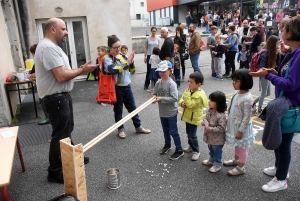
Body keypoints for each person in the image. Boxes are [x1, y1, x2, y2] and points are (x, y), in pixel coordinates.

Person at [34, 18, 98, 183]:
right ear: (53, 30)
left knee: (66, 130)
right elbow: (61, 76)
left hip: (59, 97)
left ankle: (74, 156)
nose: (67, 32)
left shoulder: (51, 46)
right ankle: (54, 172)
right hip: (56, 99)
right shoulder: (48, 48)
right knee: (60, 135)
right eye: (63, 29)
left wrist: (80, 70)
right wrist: (82, 70)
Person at [250, 17, 300, 193]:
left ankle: (281, 178)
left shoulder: (299, 54)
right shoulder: (294, 52)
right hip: (285, 102)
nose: (281, 31)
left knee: (284, 143)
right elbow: (288, 77)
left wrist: (269, 76)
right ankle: (280, 168)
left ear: (292, 33)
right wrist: (275, 72)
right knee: (281, 142)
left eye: (284, 28)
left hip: (290, 105)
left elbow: (292, 85)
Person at [103, 35, 151, 139]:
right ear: (110, 48)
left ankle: (138, 127)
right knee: (118, 109)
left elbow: (132, 71)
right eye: (115, 47)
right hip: (116, 88)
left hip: (127, 86)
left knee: (133, 108)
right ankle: (120, 129)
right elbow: (113, 70)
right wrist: (127, 63)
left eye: (119, 46)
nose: (118, 49)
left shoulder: (123, 56)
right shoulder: (107, 58)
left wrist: (132, 62)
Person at [223, 69, 255, 176]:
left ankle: (241, 167)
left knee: (242, 147)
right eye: (233, 80)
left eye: (236, 81)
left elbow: (247, 117)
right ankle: (236, 160)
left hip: (242, 128)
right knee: (237, 144)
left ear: (244, 81)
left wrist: (241, 131)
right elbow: (232, 107)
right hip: (234, 124)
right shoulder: (236, 93)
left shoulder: (247, 98)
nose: (233, 83)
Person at [152, 60, 184, 160]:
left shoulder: (171, 84)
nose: (161, 73)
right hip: (162, 112)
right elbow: (155, 93)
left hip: (171, 112)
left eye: (164, 71)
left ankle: (179, 149)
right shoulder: (158, 83)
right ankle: (167, 145)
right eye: (160, 71)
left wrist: (161, 99)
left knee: (173, 131)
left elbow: (175, 98)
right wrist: (154, 98)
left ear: (170, 71)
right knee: (165, 130)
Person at [179, 72, 208, 161]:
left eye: (191, 82)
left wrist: (187, 97)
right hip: (188, 117)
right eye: (189, 81)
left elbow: (191, 105)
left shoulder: (199, 95)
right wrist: (182, 103)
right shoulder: (189, 90)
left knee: (192, 135)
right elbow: (182, 99)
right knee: (189, 133)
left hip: (193, 118)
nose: (189, 83)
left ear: (198, 84)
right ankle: (191, 147)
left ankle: (196, 151)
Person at [252, 36, 280, 116]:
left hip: (268, 74)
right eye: (277, 43)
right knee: (264, 93)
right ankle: (259, 109)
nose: (278, 45)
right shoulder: (265, 53)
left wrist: (278, 54)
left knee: (268, 93)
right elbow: (262, 66)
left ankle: (254, 102)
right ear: (273, 44)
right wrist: (267, 71)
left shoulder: (272, 51)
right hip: (264, 74)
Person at [202, 91, 227, 172]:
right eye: (209, 99)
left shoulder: (221, 115)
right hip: (210, 137)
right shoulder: (210, 110)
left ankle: (217, 164)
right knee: (211, 149)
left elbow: (221, 128)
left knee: (217, 151)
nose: (209, 102)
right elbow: (207, 119)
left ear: (219, 103)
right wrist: (204, 122)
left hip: (217, 139)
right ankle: (211, 160)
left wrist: (210, 129)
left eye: (212, 101)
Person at [28, 44, 50, 125]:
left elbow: (39, 73)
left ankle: (49, 118)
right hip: (42, 84)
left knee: (45, 101)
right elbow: (33, 72)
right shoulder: (38, 61)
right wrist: (31, 75)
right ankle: (48, 116)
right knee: (43, 101)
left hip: (45, 85)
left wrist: (33, 76)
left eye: (32, 53)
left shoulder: (41, 61)